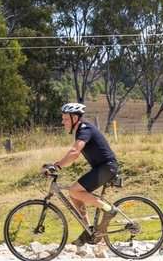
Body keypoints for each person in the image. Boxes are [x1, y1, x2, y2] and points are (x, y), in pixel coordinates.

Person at [44, 102, 120, 244]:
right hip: (102, 168)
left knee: (74, 190)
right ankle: (89, 230)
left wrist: (58, 166)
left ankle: (109, 209)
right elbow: (74, 155)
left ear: (75, 118)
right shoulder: (81, 130)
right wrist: (57, 165)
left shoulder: (85, 129)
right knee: (75, 196)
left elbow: (74, 152)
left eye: (66, 119)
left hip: (107, 167)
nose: (63, 122)